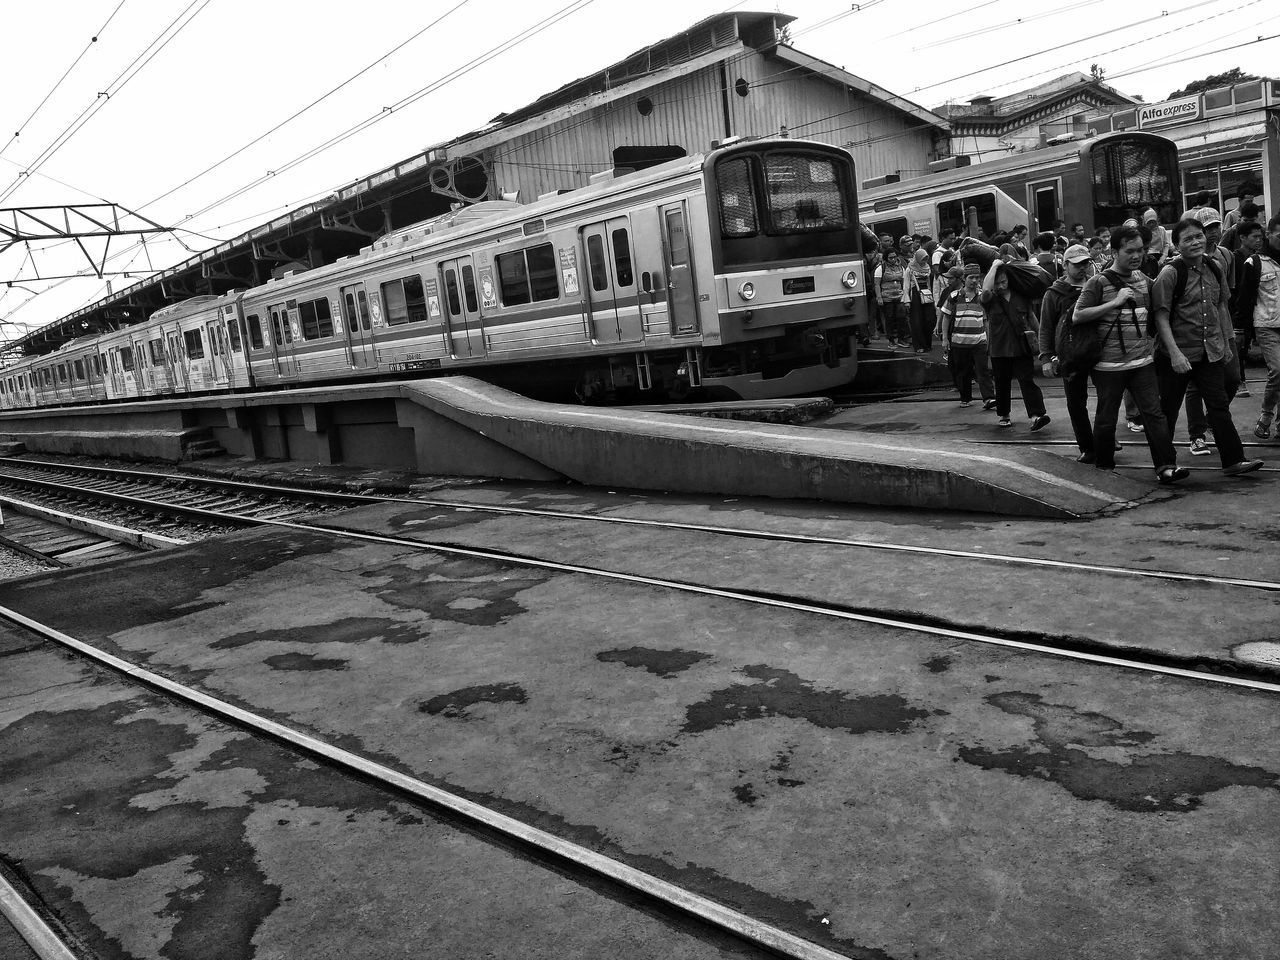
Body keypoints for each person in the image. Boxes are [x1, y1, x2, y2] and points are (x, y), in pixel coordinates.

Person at [1072, 224, 1187, 483]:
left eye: (1140, 251)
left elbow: (1159, 312)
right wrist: (1114, 302)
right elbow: (1077, 315)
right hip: (1108, 366)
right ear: (1114, 252)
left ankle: (1167, 466)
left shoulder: (1144, 280)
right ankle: (1104, 467)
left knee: (1154, 415)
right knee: (1106, 417)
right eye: (1129, 251)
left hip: (1142, 362)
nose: (1136, 256)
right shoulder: (1098, 282)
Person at [1150, 218, 1263, 477]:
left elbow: (1221, 306)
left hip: (1209, 351)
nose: (1196, 242)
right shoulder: (1170, 273)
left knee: (1219, 405)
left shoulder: (1214, 267)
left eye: (1198, 236)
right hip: (1176, 355)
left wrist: (1226, 343)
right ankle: (1165, 466)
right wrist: (1175, 353)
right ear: (1177, 245)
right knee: (1166, 411)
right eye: (1188, 239)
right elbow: (1161, 316)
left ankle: (1234, 461)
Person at [1182, 207, 1239, 452]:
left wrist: (1229, 335)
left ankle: (1211, 421)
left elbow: (1225, 300)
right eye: (1207, 228)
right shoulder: (1181, 264)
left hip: (1221, 330)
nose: (1212, 232)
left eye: (1215, 226)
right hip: (1195, 335)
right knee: (1195, 386)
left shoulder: (1225, 256)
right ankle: (1197, 434)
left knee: (1233, 379)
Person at [1039, 244, 1098, 461]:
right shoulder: (1054, 294)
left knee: (1108, 398)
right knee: (1076, 403)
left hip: (1098, 351)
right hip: (1070, 354)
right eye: (1077, 265)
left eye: (1085, 263)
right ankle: (1087, 446)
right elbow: (1045, 326)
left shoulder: (1096, 285)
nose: (1082, 268)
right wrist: (1046, 357)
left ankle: (1102, 435)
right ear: (1065, 265)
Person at [982, 259, 1049, 430]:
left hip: (1021, 346)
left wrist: (1042, 339)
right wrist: (995, 265)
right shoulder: (990, 299)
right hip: (999, 349)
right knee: (1002, 383)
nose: (1000, 286)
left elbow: (1031, 317)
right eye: (997, 283)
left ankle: (1037, 415)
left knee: (1027, 380)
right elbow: (985, 290)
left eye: (1003, 281)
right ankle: (1004, 414)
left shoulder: (1021, 296)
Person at [1234, 215, 1280, 439]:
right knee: (1278, 370)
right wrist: (1241, 330)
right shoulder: (1254, 263)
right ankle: (1266, 415)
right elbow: (1244, 299)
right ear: (1268, 235)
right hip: (1266, 325)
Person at [940, 263, 995, 408]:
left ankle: (989, 398)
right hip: (959, 342)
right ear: (964, 279)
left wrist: (989, 340)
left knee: (983, 370)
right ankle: (965, 398)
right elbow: (945, 317)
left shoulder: (983, 297)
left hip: (979, 341)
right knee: (963, 371)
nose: (975, 281)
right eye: (971, 277)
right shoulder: (954, 296)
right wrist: (945, 339)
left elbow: (986, 320)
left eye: (977, 277)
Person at [874, 248, 910, 348]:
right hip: (887, 297)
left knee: (901, 318)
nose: (893, 259)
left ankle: (901, 339)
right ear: (886, 258)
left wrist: (905, 295)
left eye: (894, 257)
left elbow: (904, 282)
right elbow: (877, 284)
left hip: (899, 296)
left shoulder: (900, 267)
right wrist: (879, 297)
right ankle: (891, 341)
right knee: (889, 319)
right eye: (891, 257)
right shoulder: (881, 268)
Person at [906, 248, 936, 354]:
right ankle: (919, 345)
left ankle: (928, 344)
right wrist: (907, 301)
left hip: (927, 295)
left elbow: (929, 283)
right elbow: (906, 286)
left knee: (929, 320)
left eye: (926, 259)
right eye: (923, 259)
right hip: (915, 295)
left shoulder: (927, 268)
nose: (924, 261)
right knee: (917, 321)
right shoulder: (910, 269)